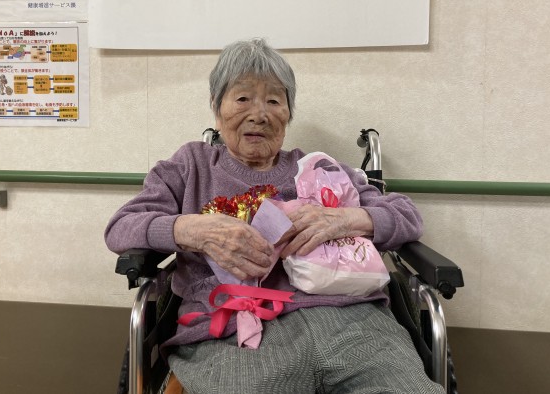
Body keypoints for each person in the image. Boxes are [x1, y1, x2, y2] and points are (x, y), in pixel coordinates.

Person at [105, 38, 444, 394]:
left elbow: (407, 216)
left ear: (288, 113)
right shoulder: (191, 166)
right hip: (235, 336)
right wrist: (194, 229)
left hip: (354, 325)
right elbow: (121, 228)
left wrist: (343, 219)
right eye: (242, 98)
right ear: (217, 109)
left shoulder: (317, 168)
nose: (259, 114)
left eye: (273, 101)